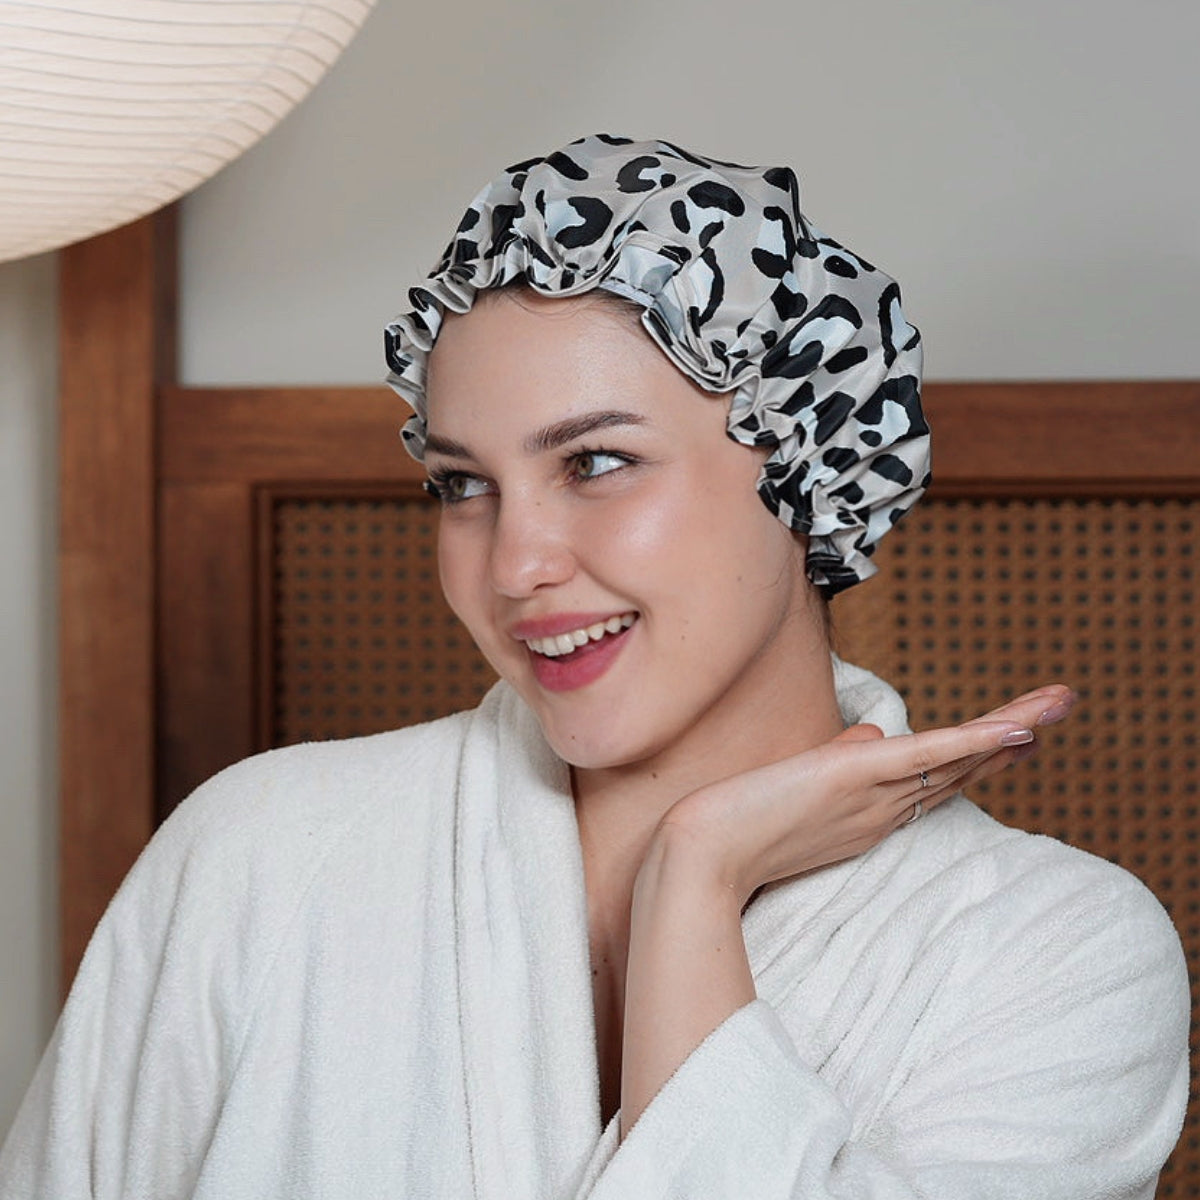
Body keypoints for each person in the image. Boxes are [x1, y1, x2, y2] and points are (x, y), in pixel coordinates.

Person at [0, 134, 1188, 1198]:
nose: (515, 563)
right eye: (462, 485)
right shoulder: (259, 852)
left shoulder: (1056, 955)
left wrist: (695, 885)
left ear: (803, 463)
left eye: (598, 464)